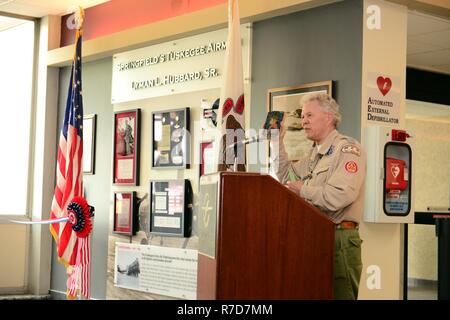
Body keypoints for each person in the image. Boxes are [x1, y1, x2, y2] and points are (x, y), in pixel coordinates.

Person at [274, 92, 366, 300]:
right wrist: (277, 143)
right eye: (303, 116)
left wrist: (304, 189)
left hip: (339, 239)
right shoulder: (314, 154)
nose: (304, 121)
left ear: (328, 117)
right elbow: (287, 176)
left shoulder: (348, 150)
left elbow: (340, 196)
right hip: (315, 236)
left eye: (309, 116)